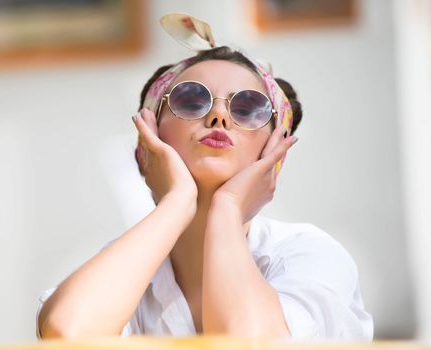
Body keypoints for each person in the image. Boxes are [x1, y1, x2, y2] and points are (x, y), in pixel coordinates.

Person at [36, 14, 373, 341]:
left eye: (248, 107)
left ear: (273, 150)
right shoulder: (127, 268)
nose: (219, 114)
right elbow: (67, 332)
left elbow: (250, 344)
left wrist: (227, 209)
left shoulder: (306, 256)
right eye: (191, 100)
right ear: (149, 141)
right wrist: (177, 203)